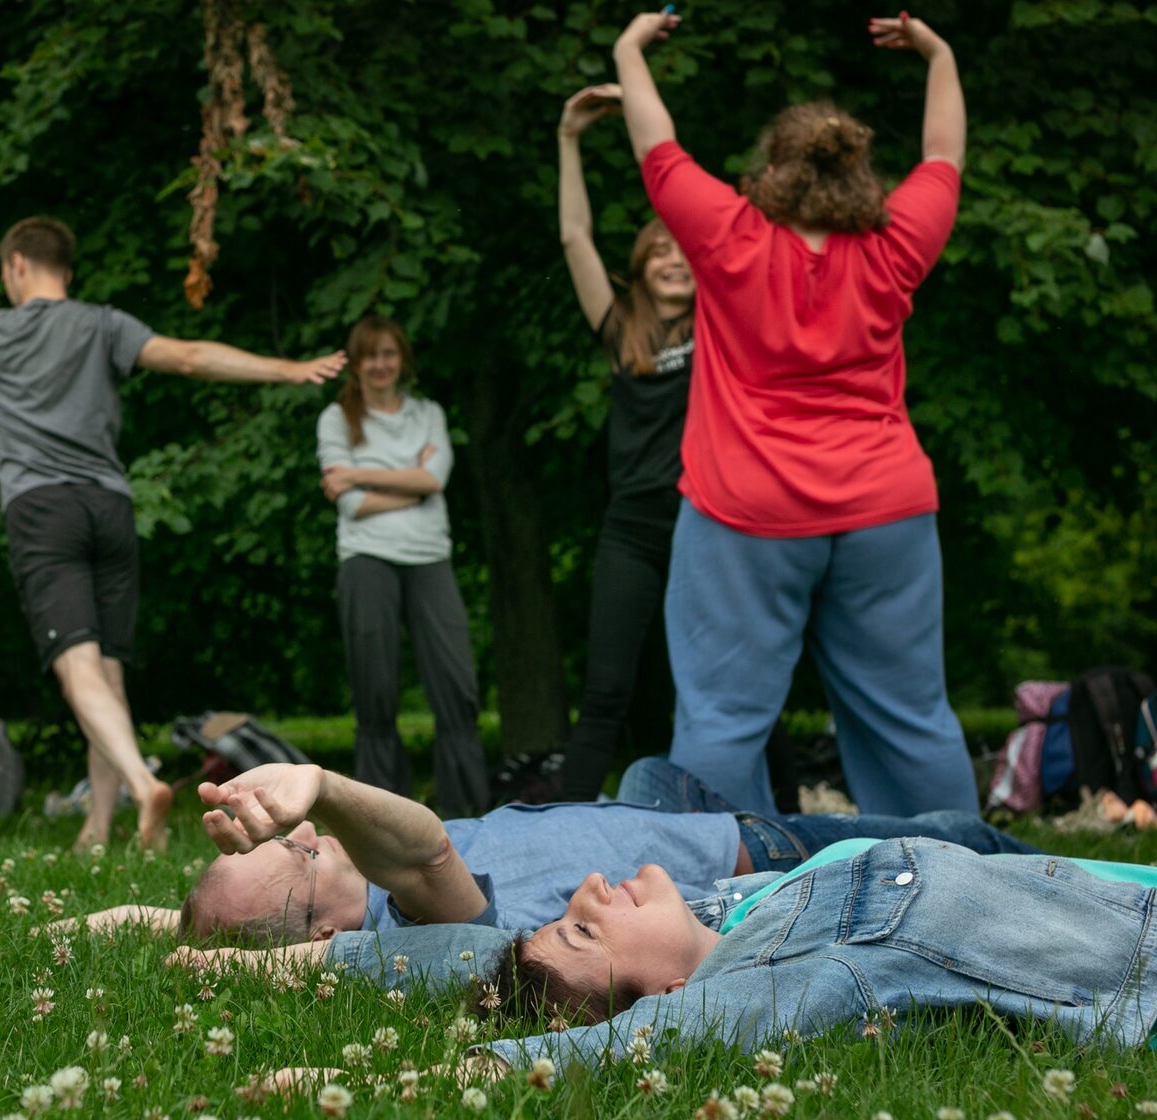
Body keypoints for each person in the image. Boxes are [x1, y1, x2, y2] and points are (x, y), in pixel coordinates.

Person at [0, 218, 345, 853]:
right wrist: (286, 368)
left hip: (42, 509)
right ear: (69, 270)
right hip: (109, 507)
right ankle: (100, 826)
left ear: (18, 265)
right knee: (107, 674)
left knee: (76, 668)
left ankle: (143, 784)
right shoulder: (103, 324)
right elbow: (189, 356)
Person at [613, 9, 976, 815]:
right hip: (886, 511)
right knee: (912, 718)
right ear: (858, 176)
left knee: (722, 717)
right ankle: (963, 884)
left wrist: (629, 49)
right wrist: (939, 54)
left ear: (771, 171)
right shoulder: (894, 246)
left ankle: (722, 894)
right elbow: (944, 154)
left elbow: (655, 143)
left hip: (748, 511)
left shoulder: (727, 237)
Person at [74, 756, 1031, 954]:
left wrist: (141, 921)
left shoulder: (334, 907)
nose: (312, 836)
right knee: (959, 845)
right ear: (324, 927)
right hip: (747, 854)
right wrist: (320, 786)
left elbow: (232, 925)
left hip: (663, 812)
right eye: (302, 856)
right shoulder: (422, 917)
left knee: (654, 767)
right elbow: (423, 847)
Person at [474, 834, 1157, 1072]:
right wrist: (500, 1067)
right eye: (583, 931)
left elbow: (458, 945)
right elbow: (687, 1029)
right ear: (672, 997)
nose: (588, 890)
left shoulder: (741, 911)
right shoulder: (796, 975)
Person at [556, 83, 695, 800]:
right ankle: (557, 824)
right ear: (640, 265)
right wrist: (570, 138)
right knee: (607, 689)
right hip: (632, 530)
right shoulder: (622, 331)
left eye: (685, 249)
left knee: (723, 693)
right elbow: (576, 238)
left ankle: (773, 826)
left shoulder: (723, 330)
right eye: (659, 249)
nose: (674, 258)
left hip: (708, 529)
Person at [316, 315, 488, 817]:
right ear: (356, 363)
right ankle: (381, 821)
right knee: (375, 694)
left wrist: (358, 475)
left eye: (389, 353)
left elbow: (435, 480)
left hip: (429, 557)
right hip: (366, 560)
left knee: (457, 690)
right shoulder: (336, 418)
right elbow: (352, 506)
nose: (380, 364)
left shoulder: (428, 413)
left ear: (403, 359)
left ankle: (467, 815)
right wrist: (410, 482)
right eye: (370, 355)